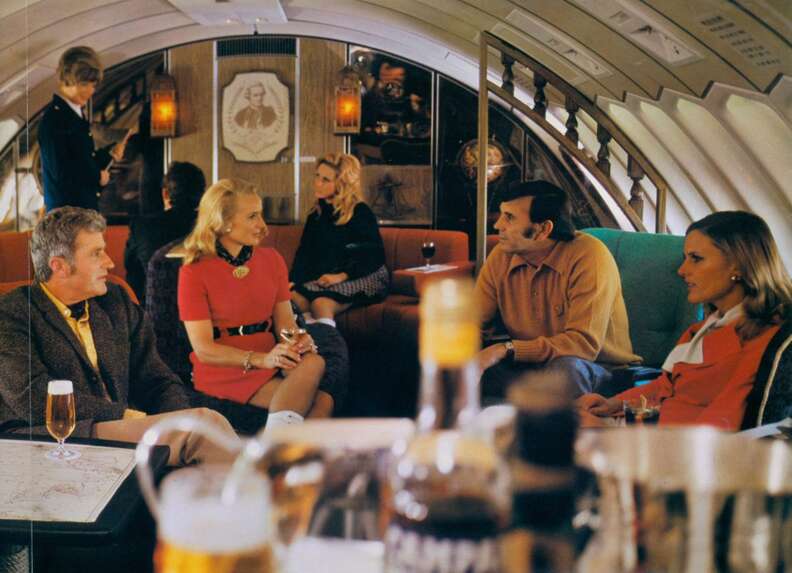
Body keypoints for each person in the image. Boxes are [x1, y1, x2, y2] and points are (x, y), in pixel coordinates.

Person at [0, 207, 236, 466]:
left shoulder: (116, 300)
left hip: (120, 430)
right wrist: (124, 416)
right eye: (96, 253)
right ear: (60, 266)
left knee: (204, 435)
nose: (110, 263)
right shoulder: (12, 313)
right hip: (52, 438)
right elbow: (31, 398)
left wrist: (179, 416)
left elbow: (156, 378)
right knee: (204, 428)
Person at [577, 211, 791, 431]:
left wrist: (612, 433)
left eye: (696, 259)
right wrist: (611, 404)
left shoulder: (765, 339)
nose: (682, 271)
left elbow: (719, 425)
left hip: (671, 449)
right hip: (646, 433)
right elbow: (665, 386)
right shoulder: (705, 327)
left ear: (737, 264)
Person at [178, 179, 331, 432]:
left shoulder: (272, 260)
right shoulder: (193, 271)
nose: (263, 226)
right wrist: (262, 360)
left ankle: (274, 452)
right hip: (224, 367)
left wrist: (298, 339)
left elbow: (285, 325)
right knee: (321, 402)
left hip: (272, 358)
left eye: (261, 215)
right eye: (253, 217)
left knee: (314, 361)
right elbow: (204, 349)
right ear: (223, 223)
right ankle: (279, 458)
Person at [476, 180, 640, 398]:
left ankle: (554, 424)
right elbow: (472, 322)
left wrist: (506, 349)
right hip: (530, 368)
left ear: (543, 229)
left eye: (510, 217)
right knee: (459, 364)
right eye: (501, 214)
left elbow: (583, 345)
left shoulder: (590, 256)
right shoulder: (501, 255)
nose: (498, 225)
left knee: (566, 371)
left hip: (597, 369)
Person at [290, 153, 388, 327]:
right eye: (317, 176)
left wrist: (342, 276)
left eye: (325, 180)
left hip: (366, 273)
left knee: (321, 304)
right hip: (333, 276)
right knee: (293, 297)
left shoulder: (360, 212)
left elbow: (374, 255)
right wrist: (293, 281)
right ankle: (312, 343)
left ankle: (329, 349)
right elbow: (305, 253)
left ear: (341, 184)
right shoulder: (316, 213)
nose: (317, 183)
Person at [38, 46, 131, 212]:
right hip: (68, 217)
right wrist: (98, 177)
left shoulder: (73, 116)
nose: (90, 91)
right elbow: (62, 173)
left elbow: (82, 161)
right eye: (84, 84)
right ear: (67, 80)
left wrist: (110, 154)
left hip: (80, 212)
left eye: (93, 85)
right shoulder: (55, 120)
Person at [124, 161, 206, 301]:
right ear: (202, 195)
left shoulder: (142, 227)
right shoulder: (211, 227)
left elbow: (132, 271)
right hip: (205, 307)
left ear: (165, 193)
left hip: (154, 307)